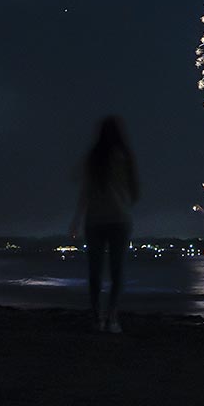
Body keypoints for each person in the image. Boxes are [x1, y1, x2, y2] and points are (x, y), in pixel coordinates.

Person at [70, 116, 139, 333]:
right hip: (120, 218)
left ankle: (96, 316)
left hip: (95, 220)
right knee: (117, 270)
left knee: (95, 271)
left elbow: (84, 191)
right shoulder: (125, 157)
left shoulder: (93, 158)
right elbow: (135, 191)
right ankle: (113, 316)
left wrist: (76, 219)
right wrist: (123, 198)